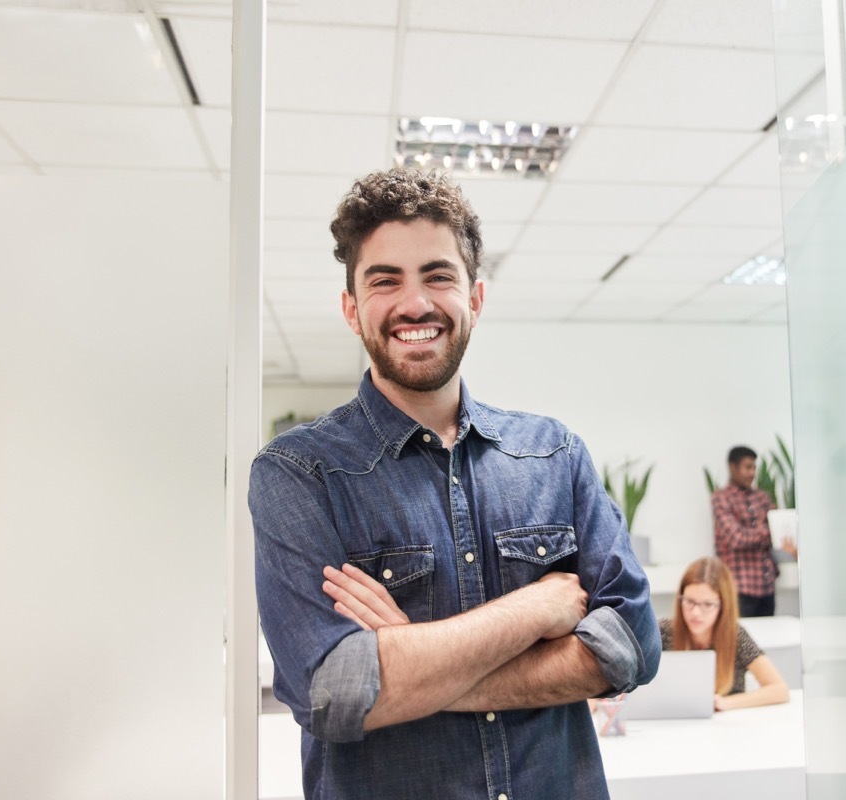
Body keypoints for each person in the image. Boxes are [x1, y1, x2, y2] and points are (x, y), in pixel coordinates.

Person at [249, 167, 660, 800]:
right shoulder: (299, 473)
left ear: (475, 298)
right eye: (385, 280)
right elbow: (331, 692)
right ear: (351, 309)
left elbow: (633, 645)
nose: (415, 303)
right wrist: (534, 609)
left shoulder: (552, 454)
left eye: (438, 275)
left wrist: (406, 663)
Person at [660, 557, 789, 710]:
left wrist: (726, 703)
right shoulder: (663, 632)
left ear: (723, 606)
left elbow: (779, 690)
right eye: (689, 601)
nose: (695, 612)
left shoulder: (735, 636)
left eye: (707, 604)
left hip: (726, 728)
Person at [712, 445, 778, 616]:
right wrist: (767, 530)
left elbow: (778, 533)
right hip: (739, 588)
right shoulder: (721, 498)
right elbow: (736, 538)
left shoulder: (762, 497)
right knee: (739, 641)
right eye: (747, 467)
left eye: (754, 467)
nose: (752, 473)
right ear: (732, 467)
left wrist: (769, 530)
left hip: (766, 586)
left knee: (768, 639)